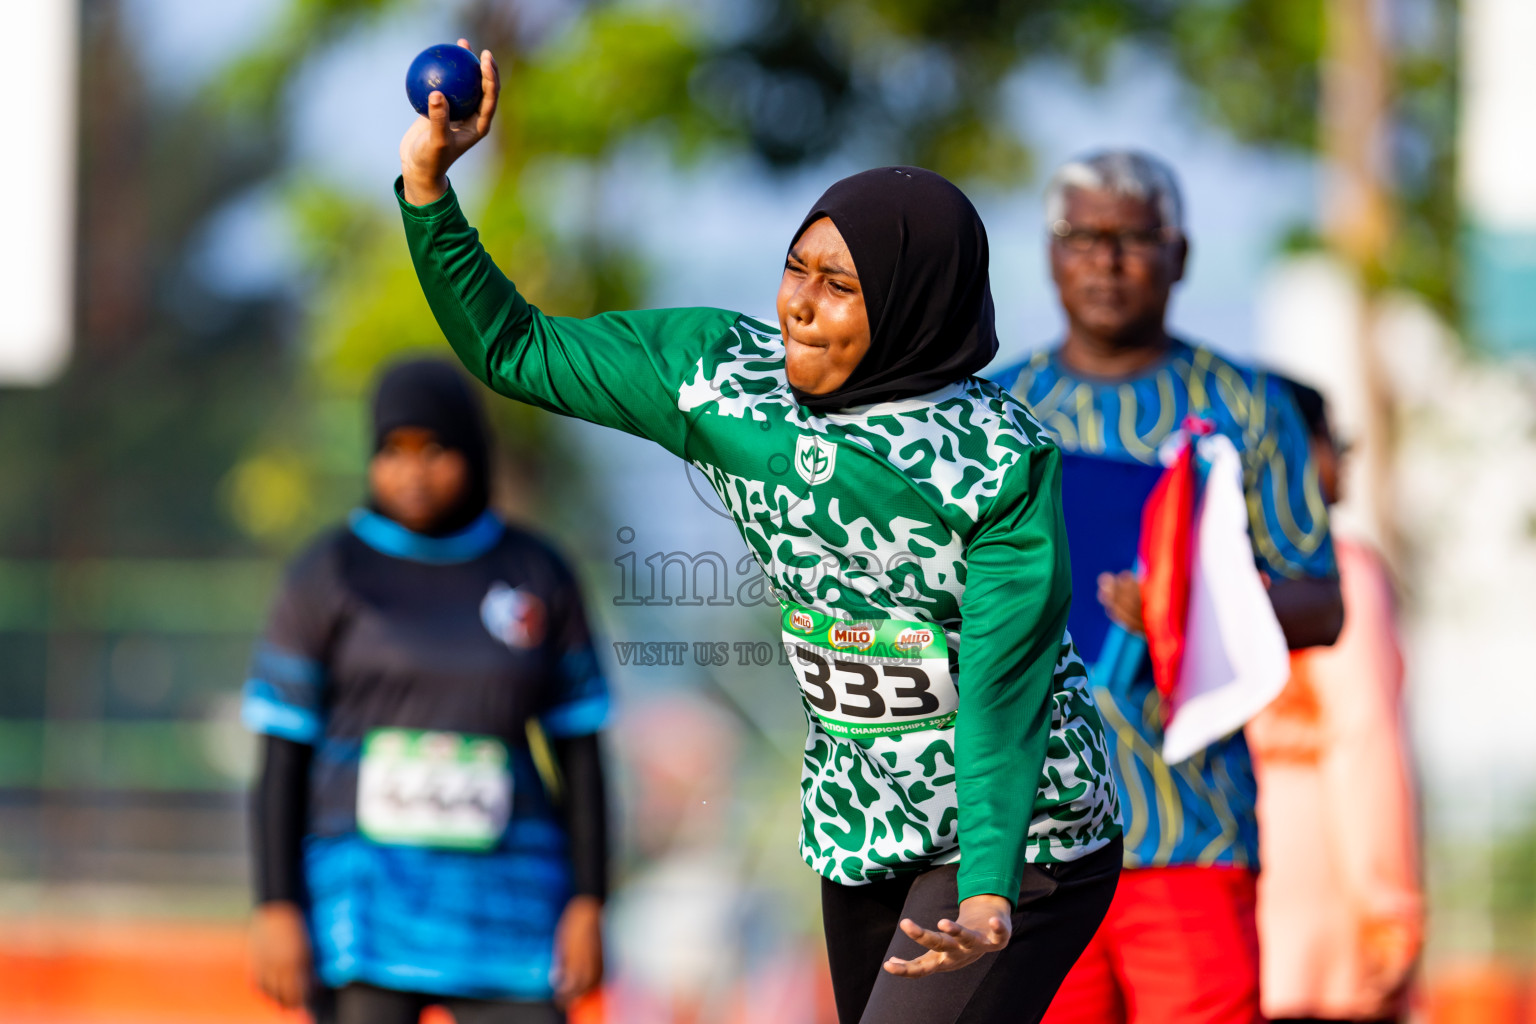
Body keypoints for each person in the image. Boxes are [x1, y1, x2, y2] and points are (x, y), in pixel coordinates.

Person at [394, 41, 1122, 1024]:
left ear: (916, 305)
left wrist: (990, 887)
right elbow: (515, 346)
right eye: (796, 269)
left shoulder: (995, 459)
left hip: (1021, 837)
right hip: (863, 826)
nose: (799, 307)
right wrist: (429, 191)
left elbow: (1002, 684)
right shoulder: (718, 378)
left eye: (840, 286)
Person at [990, 150, 1344, 1024]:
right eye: (1084, 237)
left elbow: (1322, 600)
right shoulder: (992, 412)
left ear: (1180, 255)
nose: (1107, 261)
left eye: (1135, 239)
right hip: (1024, 842)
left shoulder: (1247, 406)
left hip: (1193, 829)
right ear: (1049, 253)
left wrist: (1193, 608)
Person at [243, 358, 610, 1024]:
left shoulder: (535, 572)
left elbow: (581, 751)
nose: (413, 471)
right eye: (393, 451)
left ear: (472, 450)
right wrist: (275, 906)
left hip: (511, 912)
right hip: (365, 913)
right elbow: (281, 758)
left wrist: (589, 901)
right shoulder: (328, 573)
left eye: (435, 449)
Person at [1248, 380, 1422, 1024]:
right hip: (1329, 909)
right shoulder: (1341, 570)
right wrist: (1391, 913)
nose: (1343, 461)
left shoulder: (1206, 571)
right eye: (1333, 443)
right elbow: (1364, 745)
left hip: (1226, 908)